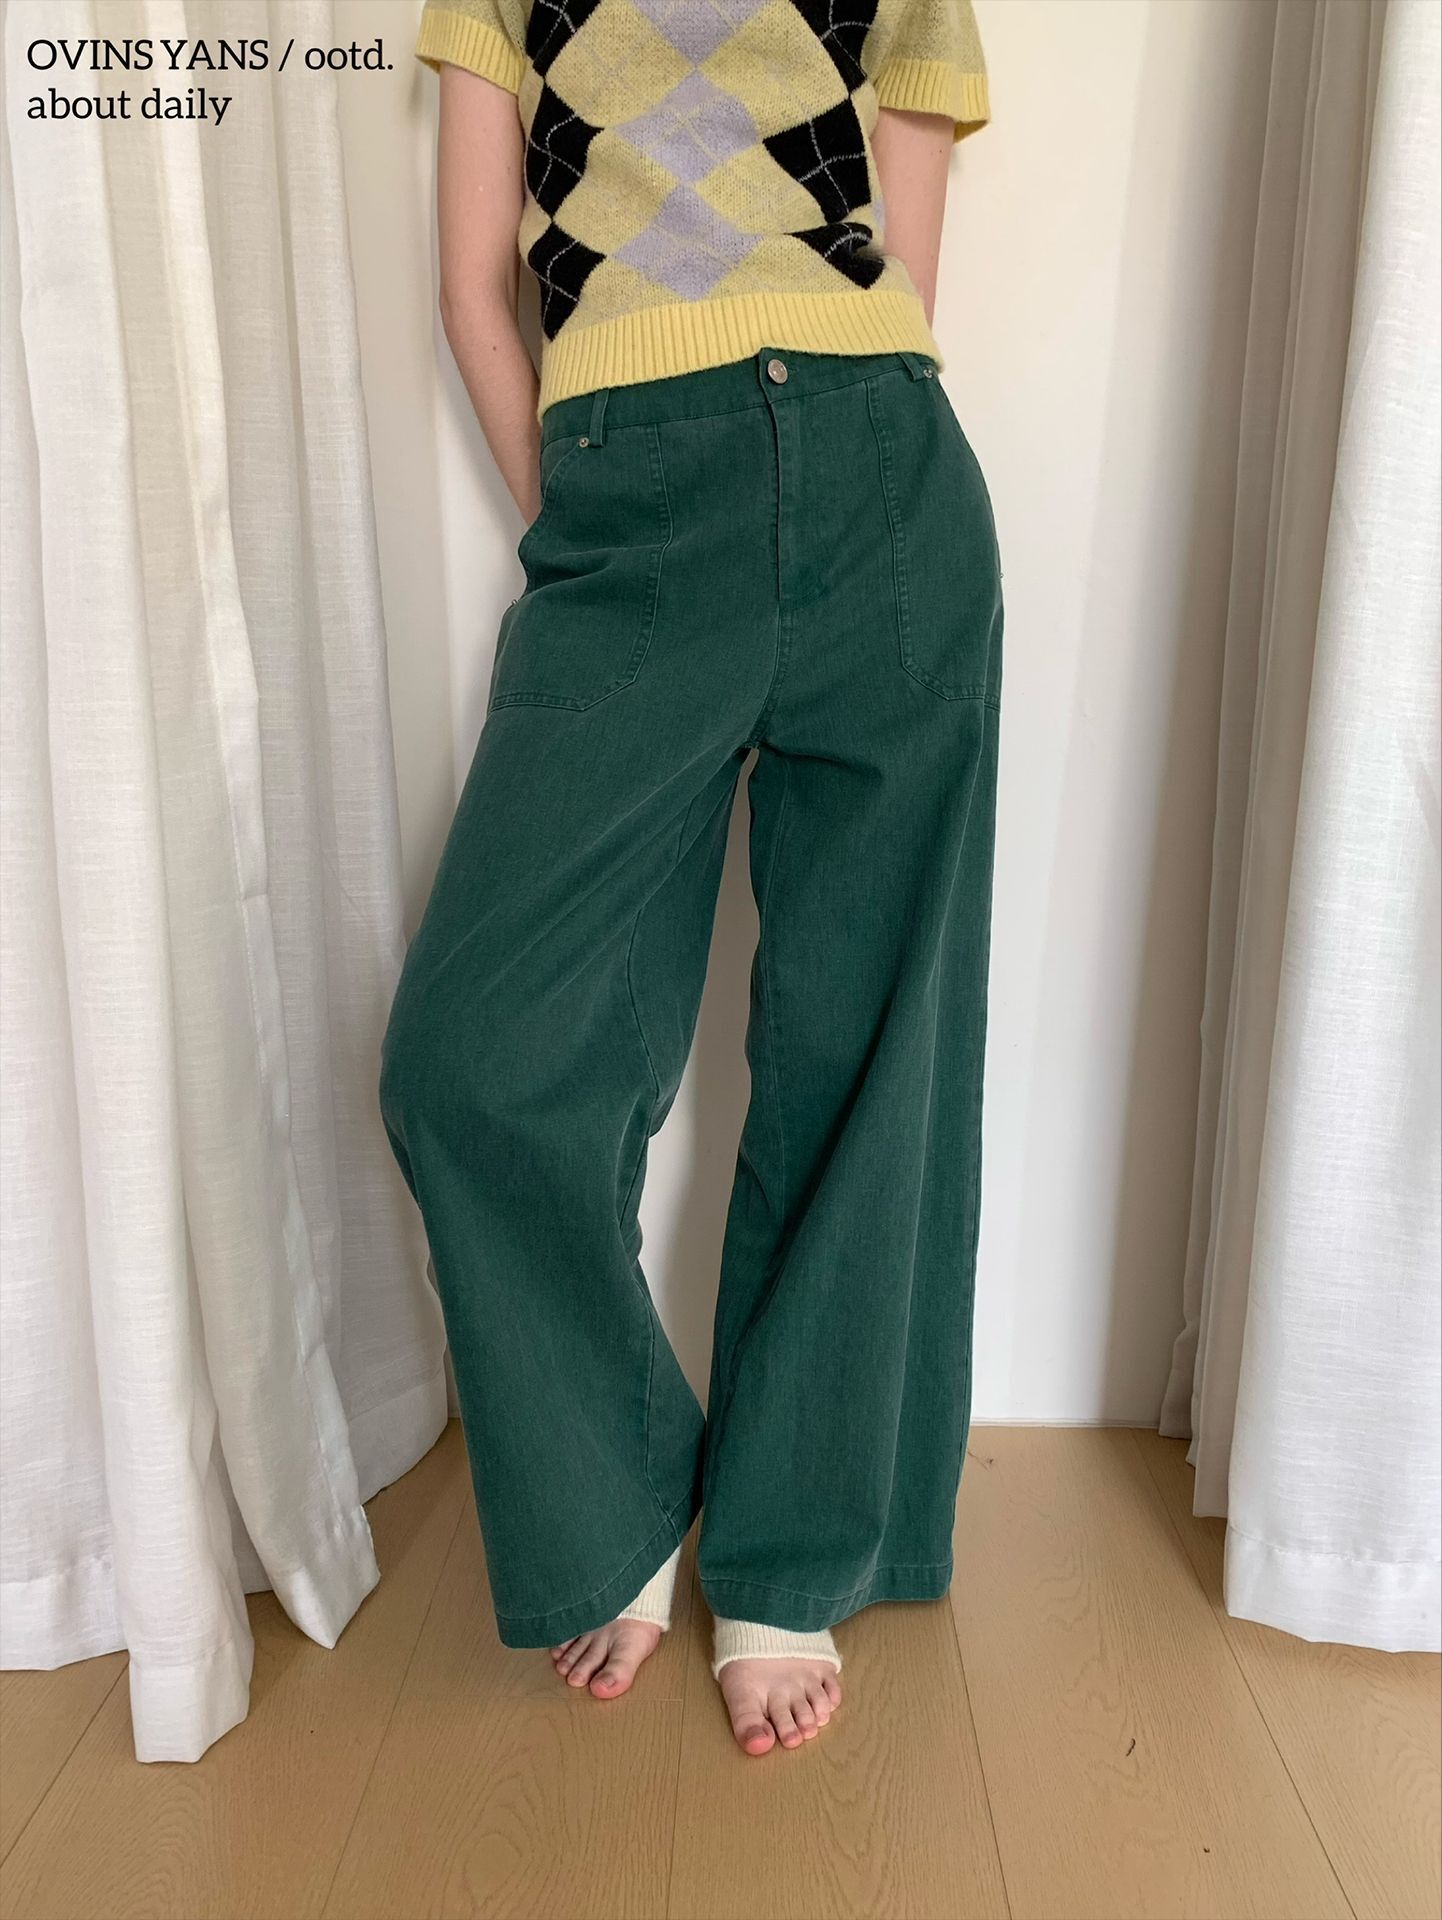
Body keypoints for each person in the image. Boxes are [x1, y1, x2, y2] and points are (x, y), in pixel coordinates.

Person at [381, 0, 1001, 1759]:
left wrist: (829, 467)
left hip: (885, 482)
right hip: (624, 504)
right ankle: (618, 1490)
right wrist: (580, 527)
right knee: (472, 1058)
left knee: (869, 1044)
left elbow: (902, 276)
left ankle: (794, 1550)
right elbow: (473, 288)